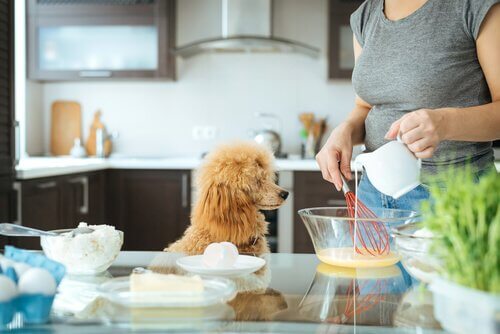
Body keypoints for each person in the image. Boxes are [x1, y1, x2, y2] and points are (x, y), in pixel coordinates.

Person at [316, 0, 500, 211]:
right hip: (374, 193)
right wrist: (345, 131)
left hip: (454, 196)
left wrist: (445, 123)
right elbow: (365, 106)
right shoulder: (365, 15)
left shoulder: (474, 6)